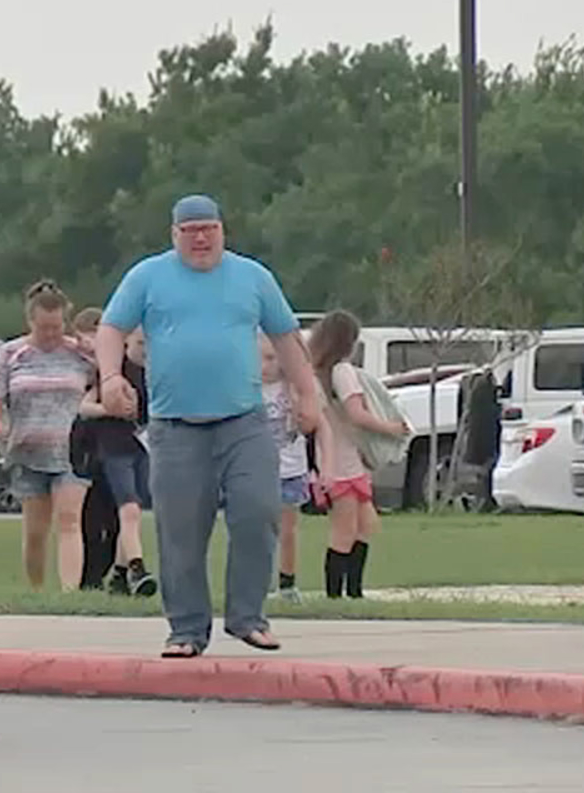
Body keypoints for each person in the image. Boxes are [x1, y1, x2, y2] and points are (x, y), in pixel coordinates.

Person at [97, 193, 320, 657]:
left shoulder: (252, 276)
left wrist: (307, 394)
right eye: (190, 230)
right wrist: (112, 376)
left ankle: (248, 618)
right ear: (174, 235)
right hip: (176, 425)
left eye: (208, 229)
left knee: (259, 511)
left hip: (244, 420)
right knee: (181, 528)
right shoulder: (148, 276)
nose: (200, 238)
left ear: (222, 230)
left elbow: (286, 336)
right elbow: (111, 327)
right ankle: (186, 629)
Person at [0, 280, 94, 591]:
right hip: (27, 449)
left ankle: (70, 593)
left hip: (72, 449)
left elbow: (111, 376)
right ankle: (37, 591)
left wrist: (94, 348)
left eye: (56, 327)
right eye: (44, 327)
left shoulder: (78, 353)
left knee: (70, 520)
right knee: (35, 531)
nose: (50, 334)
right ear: (30, 321)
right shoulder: (11, 353)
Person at [306, 310, 409, 599]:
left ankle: (351, 589)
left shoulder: (316, 375)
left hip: (333, 456)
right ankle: (340, 593)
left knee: (366, 524)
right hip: (345, 462)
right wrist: (390, 428)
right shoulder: (343, 372)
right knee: (345, 528)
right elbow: (356, 414)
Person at [81, 326, 156, 597]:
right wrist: (107, 408)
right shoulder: (114, 370)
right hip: (114, 448)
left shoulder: (155, 372)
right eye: (140, 342)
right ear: (127, 341)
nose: (145, 349)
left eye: (150, 343)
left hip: (142, 447)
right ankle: (137, 567)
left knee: (135, 508)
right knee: (129, 508)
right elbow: (84, 406)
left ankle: (121, 573)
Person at [70, 307, 119, 590]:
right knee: (88, 517)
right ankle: (89, 578)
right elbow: (82, 405)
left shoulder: (113, 367)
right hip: (86, 447)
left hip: (113, 447)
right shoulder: (79, 367)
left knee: (114, 519)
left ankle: (106, 571)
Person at [260, 332, 311, 604]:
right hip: (258, 469)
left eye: (271, 358)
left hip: (290, 468)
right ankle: (257, 582)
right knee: (259, 528)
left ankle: (287, 583)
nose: (266, 366)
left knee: (288, 529)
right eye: (260, 358)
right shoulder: (249, 389)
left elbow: (312, 423)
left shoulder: (292, 389)